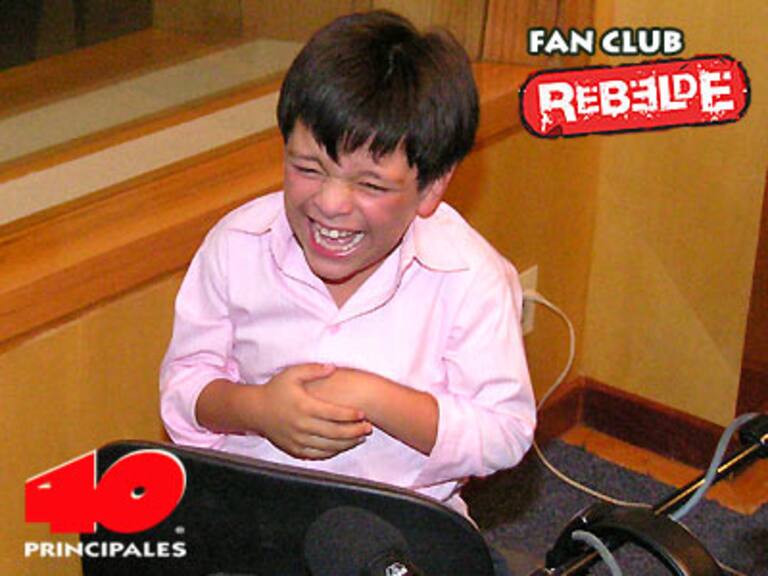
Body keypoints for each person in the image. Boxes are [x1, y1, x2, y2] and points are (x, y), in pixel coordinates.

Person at [160, 10, 535, 575]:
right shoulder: (237, 245)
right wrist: (257, 410)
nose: (330, 204)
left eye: (370, 184)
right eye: (308, 167)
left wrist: (373, 396)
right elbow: (185, 383)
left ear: (432, 186)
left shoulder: (470, 278)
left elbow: (504, 432)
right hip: (256, 515)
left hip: (404, 527)